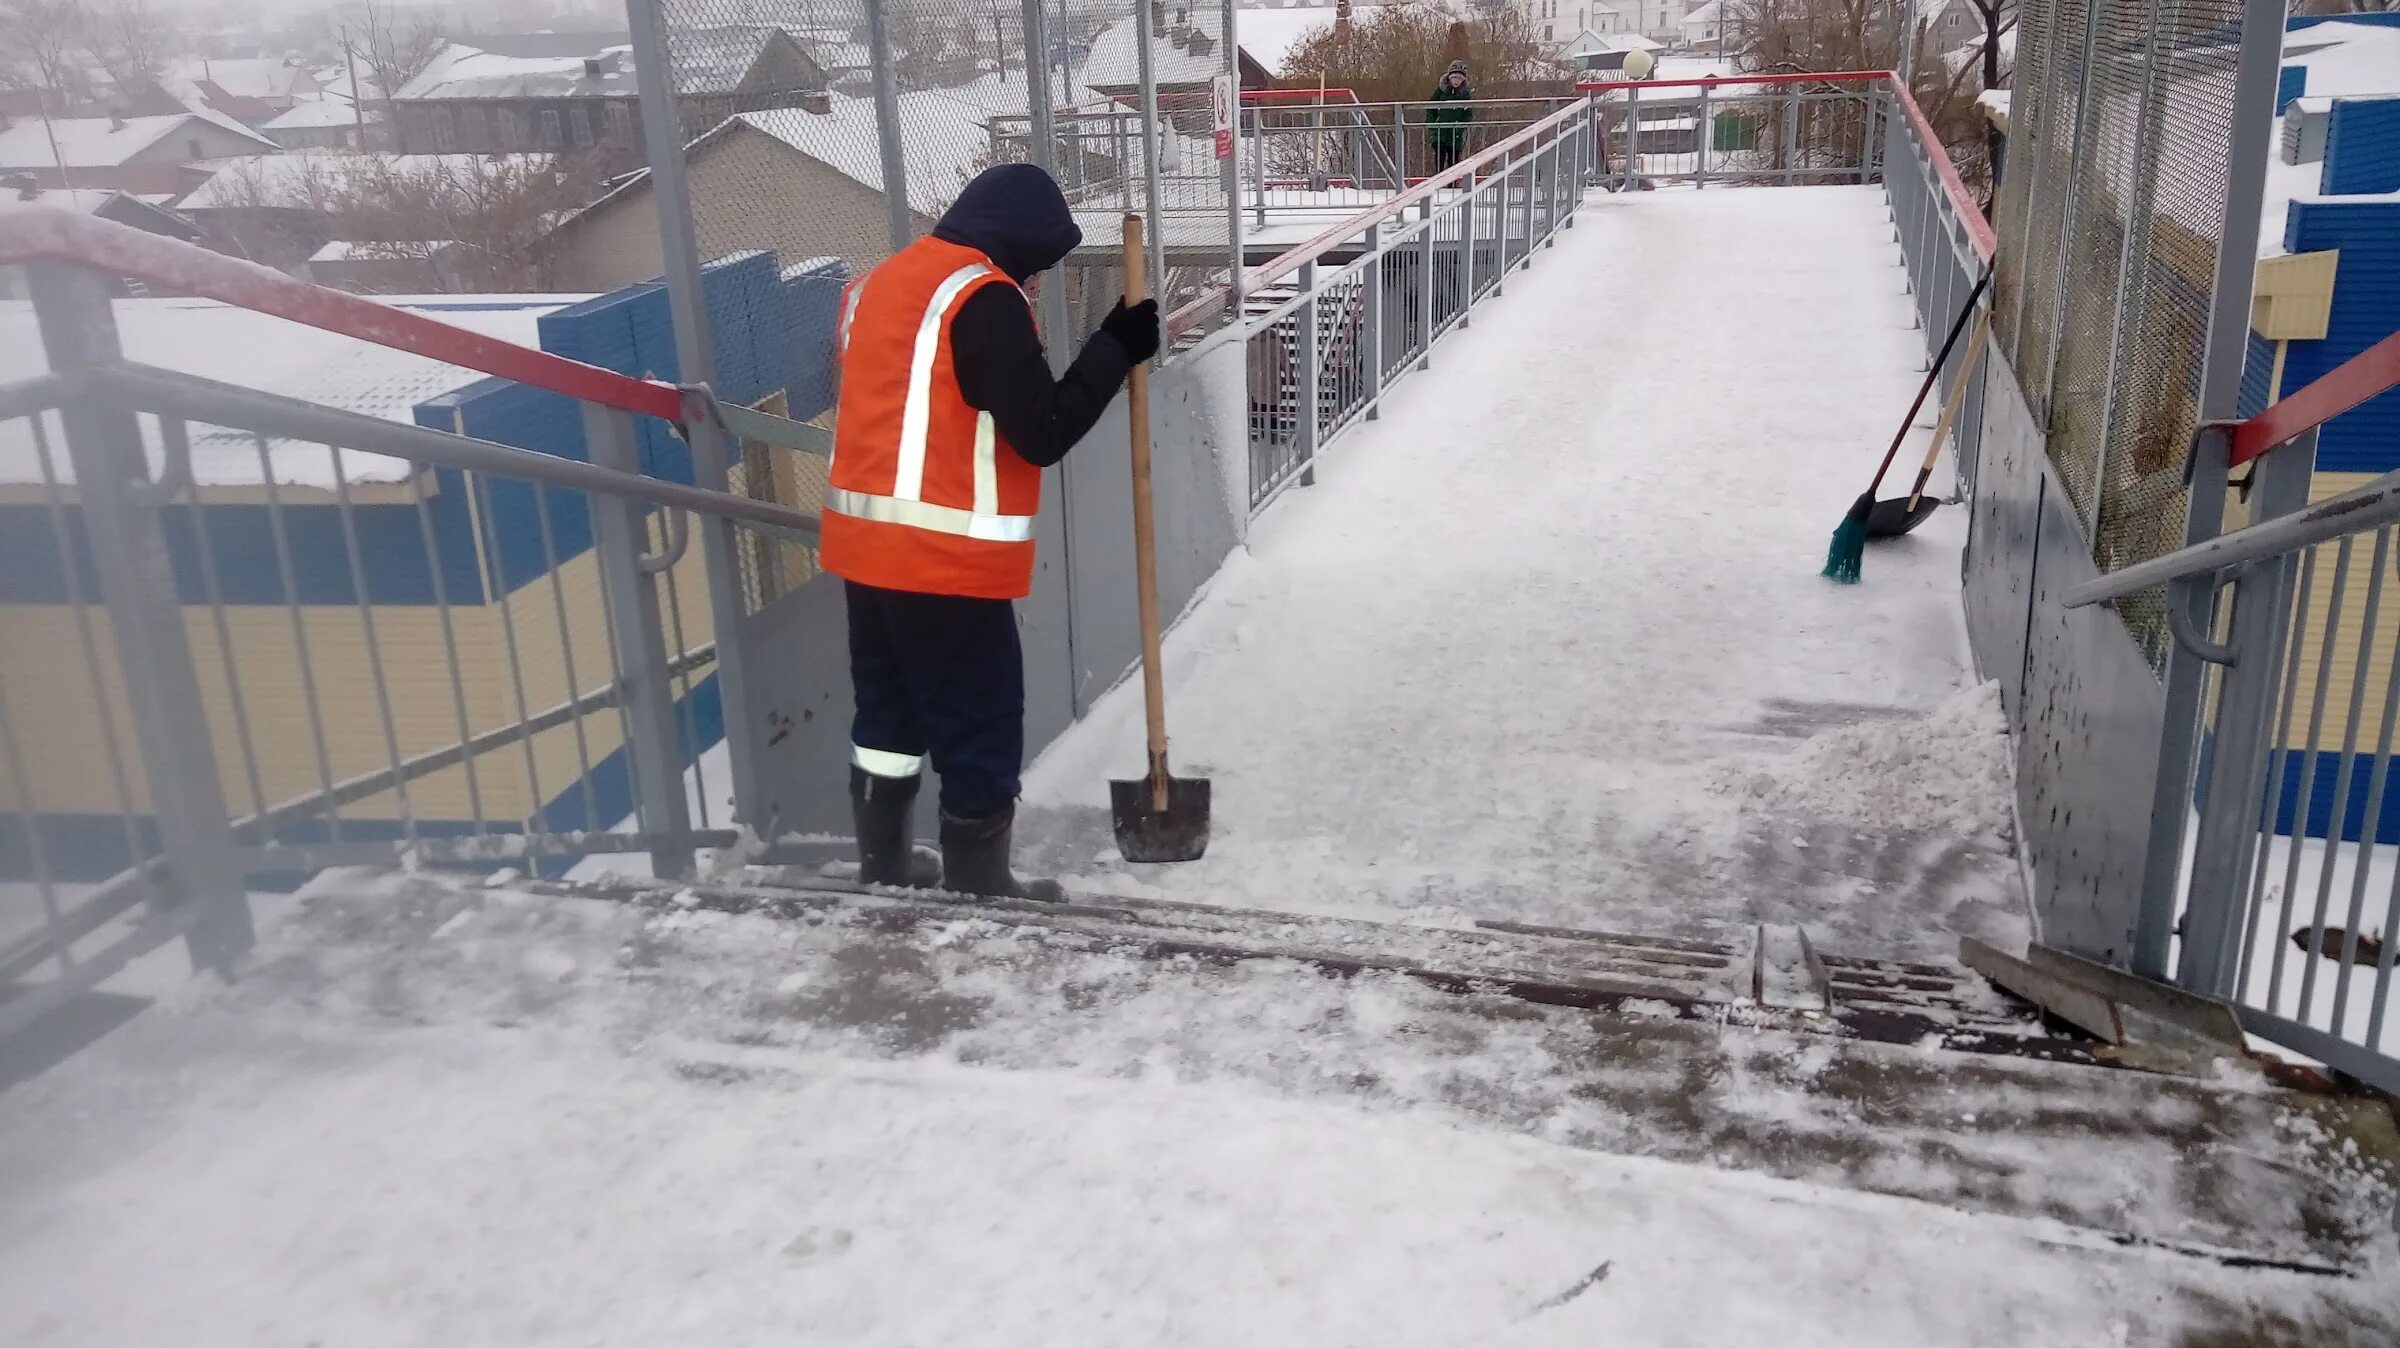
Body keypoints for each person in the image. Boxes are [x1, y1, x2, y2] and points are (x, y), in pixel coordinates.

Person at [822, 163, 1161, 898]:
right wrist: (1116, 344)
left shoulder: (875, 285)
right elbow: (1042, 429)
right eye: (1035, 266)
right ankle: (979, 888)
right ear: (1014, 243)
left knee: (888, 714)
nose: (1033, 283)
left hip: (863, 549)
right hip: (941, 561)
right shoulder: (980, 296)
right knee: (978, 718)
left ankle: (882, 870)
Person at [1427, 61, 1474, 172]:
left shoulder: (1465, 94)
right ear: (1449, 78)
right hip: (1440, 131)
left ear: (1463, 80)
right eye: (1454, 78)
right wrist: (1433, 124)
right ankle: (1438, 183)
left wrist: (1461, 125)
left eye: (1459, 78)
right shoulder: (1441, 91)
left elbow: (1468, 113)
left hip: (1455, 133)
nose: (1456, 81)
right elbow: (1430, 107)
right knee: (1440, 158)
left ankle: (1452, 185)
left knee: (1454, 160)